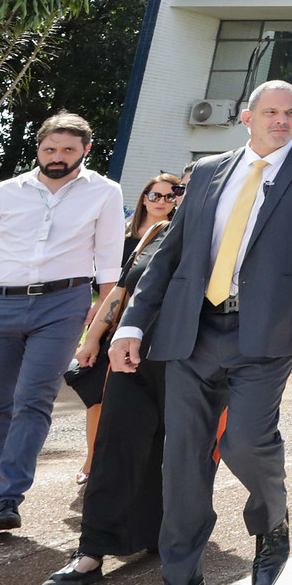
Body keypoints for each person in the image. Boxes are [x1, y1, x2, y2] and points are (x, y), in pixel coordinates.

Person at [108, 82, 292, 585]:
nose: (282, 119)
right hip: (190, 332)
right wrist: (131, 324)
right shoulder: (205, 172)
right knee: (182, 462)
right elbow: (171, 254)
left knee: (246, 442)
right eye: (270, 111)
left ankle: (272, 520)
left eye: (291, 112)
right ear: (246, 116)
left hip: (266, 333)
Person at [0, 113, 125, 537]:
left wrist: (100, 321)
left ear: (86, 150)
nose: (57, 158)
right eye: (49, 149)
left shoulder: (105, 192)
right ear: (38, 149)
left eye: (67, 150)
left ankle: (9, 498)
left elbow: (109, 262)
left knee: (33, 399)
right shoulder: (5, 193)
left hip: (63, 306)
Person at [41, 183, 183, 585]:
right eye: (179, 191)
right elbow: (122, 289)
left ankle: (161, 534)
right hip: (130, 357)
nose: (178, 197)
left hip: (190, 362)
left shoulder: (228, 240)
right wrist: (94, 336)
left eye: (187, 189)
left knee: (173, 451)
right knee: (114, 447)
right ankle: (91, 552)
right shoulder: (157, 234)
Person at [73, 174, 183, 481]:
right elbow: (116, 291)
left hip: (160, 337)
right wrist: (92, 338)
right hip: (119, 330)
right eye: (155, 195)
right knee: (98, 397)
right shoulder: (129, 239)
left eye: (170, 195)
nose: (162, 201)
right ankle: (92, 462)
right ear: (144, 198)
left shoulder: (179, 235)